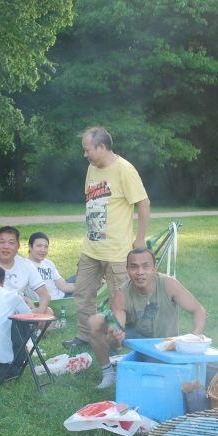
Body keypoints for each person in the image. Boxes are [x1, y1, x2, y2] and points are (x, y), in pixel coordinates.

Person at [67, 126, 151, 350]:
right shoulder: (92, 168)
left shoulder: (125, 170)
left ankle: (117, 342)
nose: (85, 154)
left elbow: (143, 203)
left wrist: (140, 238)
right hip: (91, 248)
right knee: (82, 294)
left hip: (116, 252)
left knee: (119, 300)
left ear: (101, 147)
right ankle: (85, 336)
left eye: (87, 150)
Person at [88, 248, 207, 389]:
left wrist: (195, 335)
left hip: (167, 344)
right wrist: (115, 336)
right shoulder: (121, 295)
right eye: (134, 267)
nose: (140, 272)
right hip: (138, 343)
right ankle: (109, 374)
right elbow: (117, 341)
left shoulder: (169, 285)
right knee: (94, 321)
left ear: (154, 268)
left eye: (145, 266)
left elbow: (198, 310)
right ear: (127, 269)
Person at [0, 226, 52, 315]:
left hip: (19, 312)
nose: (6, 246)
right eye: (2, 242)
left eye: (11, 243)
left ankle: (34, 327)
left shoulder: (26, 265)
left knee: (47, 311)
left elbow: (45, 295)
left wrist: (39, 314)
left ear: (18, 246)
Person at [27, 232, 75, 301]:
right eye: (39, 246)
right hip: (48, 303)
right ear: (30, 247)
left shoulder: (48, 263)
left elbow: (64, 286)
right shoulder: (25, 265)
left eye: (45, 247)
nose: (43, 250)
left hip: (62, 296)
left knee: (82, 278)